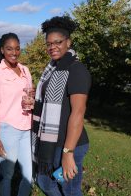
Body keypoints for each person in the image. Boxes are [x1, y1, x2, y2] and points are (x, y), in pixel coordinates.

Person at [31, 16, 91, 196]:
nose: (52, 47)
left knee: (70, 190)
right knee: (45, 182)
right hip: (52, 142)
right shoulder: (53, 69)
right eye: (49, 44)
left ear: (68, 42)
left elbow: (78, 112)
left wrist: (68, 152)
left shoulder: (76, 69)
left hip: (69, 143)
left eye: (58, 42)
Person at [0, 33, 33, 196]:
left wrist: (31, 101)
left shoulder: (25, 70)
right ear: (2, 50)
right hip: (7, 129)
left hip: (26, 128)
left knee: (29, 175)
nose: (14, 52)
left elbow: (28, 95)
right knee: (7, 175)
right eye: (9, 49)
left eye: (17, 48)